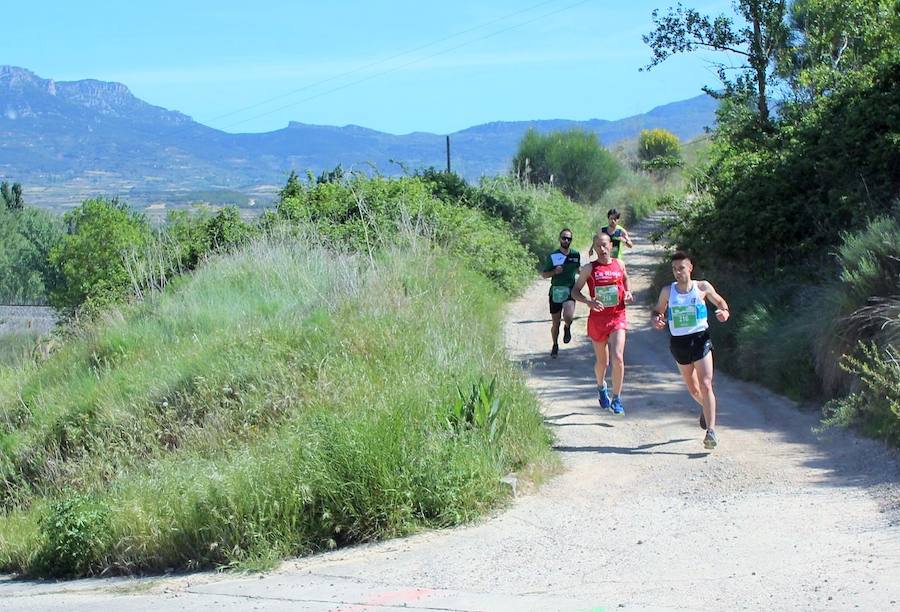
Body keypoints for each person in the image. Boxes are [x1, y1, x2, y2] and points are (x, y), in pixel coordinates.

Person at [651, 251, 730, 449]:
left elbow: (721, 302)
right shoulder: (668, 292)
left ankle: (711, 431)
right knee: (693, 388)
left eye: (681, 268)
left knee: (706, 383)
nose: (678, 272)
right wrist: (656, 319)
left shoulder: (702, 287)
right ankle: (706, 407)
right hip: (679, 343)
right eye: (674, 269)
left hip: (701, 339)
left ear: (690, 268)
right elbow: (657, 311)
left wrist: (724, 313)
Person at [572, 232, 634, 414]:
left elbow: (625, 279)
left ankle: (617, 398)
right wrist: (588, 302)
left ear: (611, 246)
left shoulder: (619, 264)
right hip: (598, 320)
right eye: (598, 246)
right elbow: (575, 291)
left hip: (617, 317)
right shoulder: (589, 269)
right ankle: (601, 387)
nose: (602, 249)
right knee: (602, 363)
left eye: (605, 245)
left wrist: (628, 292)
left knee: (618, 358)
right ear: (594, 247)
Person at [541, 228, 581, 358]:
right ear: (560, 239)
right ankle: (555, 345)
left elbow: (578, 269)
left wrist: (587, 273)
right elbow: (544, 274)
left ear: (571, 240)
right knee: (555, 323)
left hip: (570, 290)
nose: (566, 240)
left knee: (568, 316)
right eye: (564, 238)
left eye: (568, 238)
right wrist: (554, 272)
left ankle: (567, 327)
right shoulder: (552, 256)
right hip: (556, 291)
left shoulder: (575, 255)